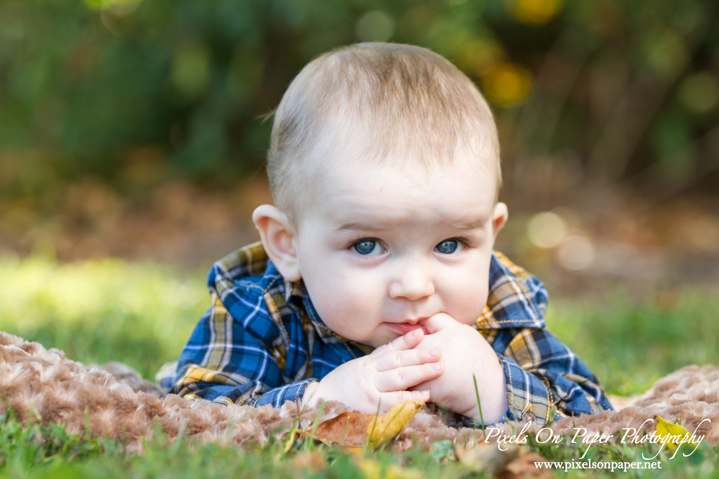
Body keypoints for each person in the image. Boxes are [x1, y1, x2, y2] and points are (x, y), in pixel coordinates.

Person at [169, 42, 612, 426]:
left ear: (490, 235)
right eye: (367, 245)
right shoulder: (259, 304)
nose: (415, 286)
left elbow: (597, 419)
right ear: (288, 244)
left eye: (450, 244)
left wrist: (495, 389)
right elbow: (197, 417)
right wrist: (318, 402)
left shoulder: (499, 303)